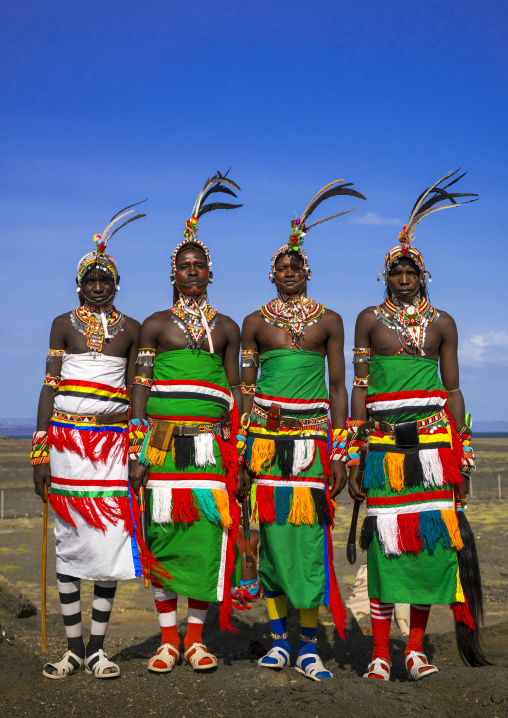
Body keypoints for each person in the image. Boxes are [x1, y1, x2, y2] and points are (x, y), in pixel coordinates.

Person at [347, 170, 485, 681]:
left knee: (428, 547)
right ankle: (381, 653)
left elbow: (452, 391)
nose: (404, 278)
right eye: (396, 272)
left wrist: (463, 459)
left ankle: (416, 649)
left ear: (422, 276)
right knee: (386, 545)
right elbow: (360, 388)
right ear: (385, 276)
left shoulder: (444, 322)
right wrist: (350, 452)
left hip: (433, 448)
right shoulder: (367, 320)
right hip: (383, 449)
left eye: (411, 271)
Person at [241, 179, 366, 681]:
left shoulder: (330, 321)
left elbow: (339, 390)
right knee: (269, 540)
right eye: (281, 268)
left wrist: (340, 452)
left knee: (311, 541)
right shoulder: (255, 322)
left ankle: (309, 646)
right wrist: (243, 453)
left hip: (313, 445)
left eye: (295, 267)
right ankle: (276, 642)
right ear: (271, 274)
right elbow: (245, 393)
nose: (289, 274)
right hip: (265, 446)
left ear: (306, 272)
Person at [32, 202, 157, 679]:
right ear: (79, 284)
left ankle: (99, 649)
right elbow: (50, 386)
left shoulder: (132, 329)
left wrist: (135, 449)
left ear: (116, 283)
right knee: (68, 542)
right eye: (90, 279)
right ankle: (72, 649)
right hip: (65, 446)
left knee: (107, 543)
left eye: (105, 279)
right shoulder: (62, 325)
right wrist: (40, 452)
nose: (98, 286)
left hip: (110, 447)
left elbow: (137, 391)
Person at [129, 171, 243, 673]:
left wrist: (238, 450)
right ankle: (167, 640)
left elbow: (237, 390)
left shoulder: (228, 328)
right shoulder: (155, 324)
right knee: (162, 537)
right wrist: (136, 450)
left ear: (210, 273)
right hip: (162, 446)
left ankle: (196, 640)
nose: (192, 272)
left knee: (204, 534)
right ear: (172, 274)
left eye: (199, 266)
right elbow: (140, 389)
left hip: (209, 450)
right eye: (184, 266)